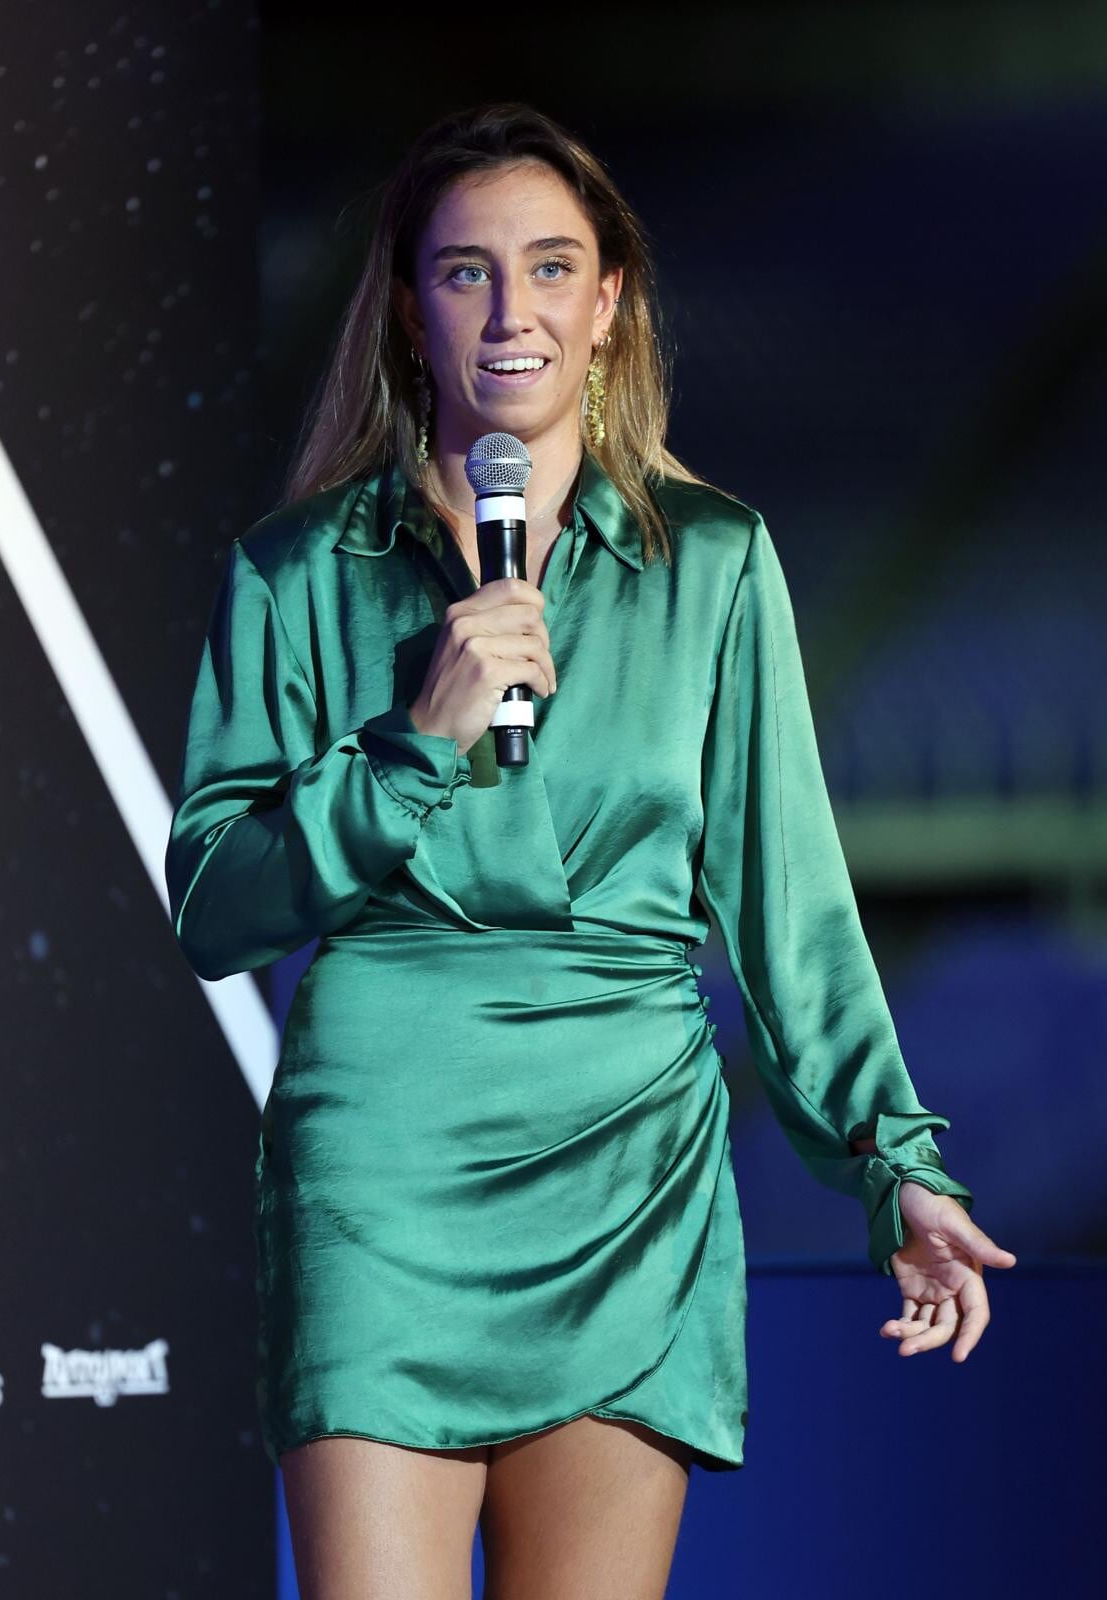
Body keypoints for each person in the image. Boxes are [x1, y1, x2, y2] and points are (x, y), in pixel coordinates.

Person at [164, 101, 1017, 1600]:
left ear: (609, 303)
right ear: (410, 311)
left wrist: (898, 1170)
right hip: (382, 1174)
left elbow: (792, 908)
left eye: (551, 267)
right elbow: (215, 907)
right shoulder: (294, 573)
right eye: (467, 272)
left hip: (630, 1170)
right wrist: (411, 743)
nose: (512, 311)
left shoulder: (716, 562)